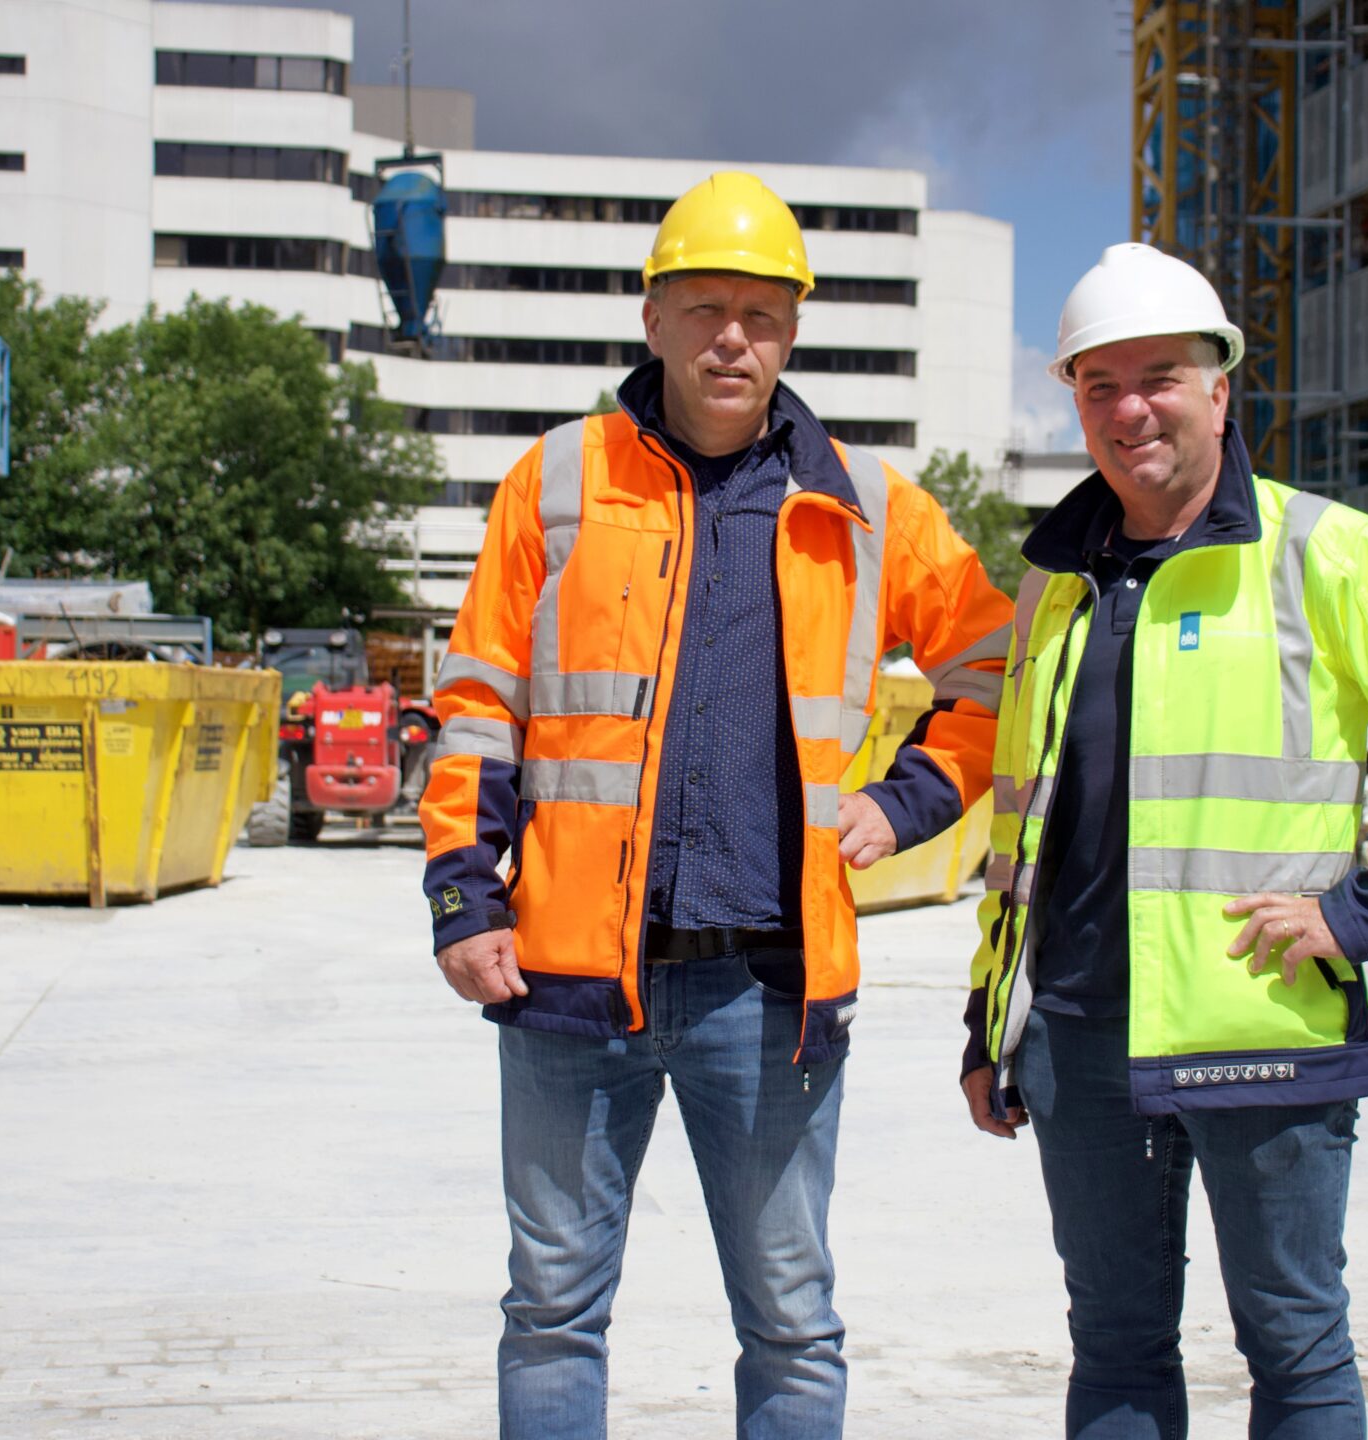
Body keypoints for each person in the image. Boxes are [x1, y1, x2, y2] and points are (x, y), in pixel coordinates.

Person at [419, 170, 1014, 1440]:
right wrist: (463, 894)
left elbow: (996, 673)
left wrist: (905, 804)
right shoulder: (559, 481)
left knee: (792, 1324)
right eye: (702, 309)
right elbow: (477, 697)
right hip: (567, 981)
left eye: (758, 312)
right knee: (551, 1309)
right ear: (654, 320)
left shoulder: (866, 506)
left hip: (769, 987)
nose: (730, 337)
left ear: (792, 330)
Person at [959, 243, 1368, 1439]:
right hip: (1076, 1031)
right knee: (1112, 1349)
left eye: (1159, 376)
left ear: (1221, 386)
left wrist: (1363, 910)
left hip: (1261, 1023)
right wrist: (989, 1018)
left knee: (1294, 1343)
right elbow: (1026, 827)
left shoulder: (1325, 552)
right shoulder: (1053, 586)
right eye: (1098, 384)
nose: (1129, 410)